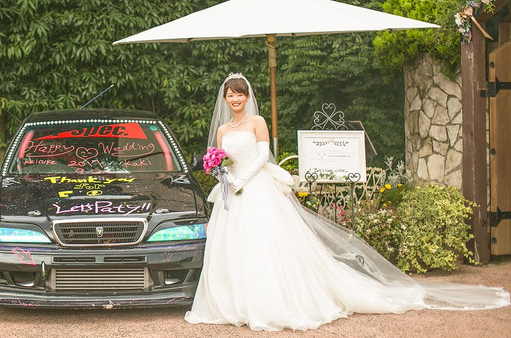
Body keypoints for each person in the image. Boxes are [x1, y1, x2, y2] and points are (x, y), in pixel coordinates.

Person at [185, 73, 510, 331]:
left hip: (256, 187)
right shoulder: (223, 129)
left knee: (268, 244)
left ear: (247, 97)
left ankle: (270, 303)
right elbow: (221, 159)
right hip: (232, 193)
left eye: (240, 94)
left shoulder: (257, 122)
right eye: (230, 95)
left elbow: (261, 157)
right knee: (234, 245)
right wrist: (223, 175)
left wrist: (242, 180)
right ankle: (236, 303)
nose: (235, 99)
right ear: (225, 99)